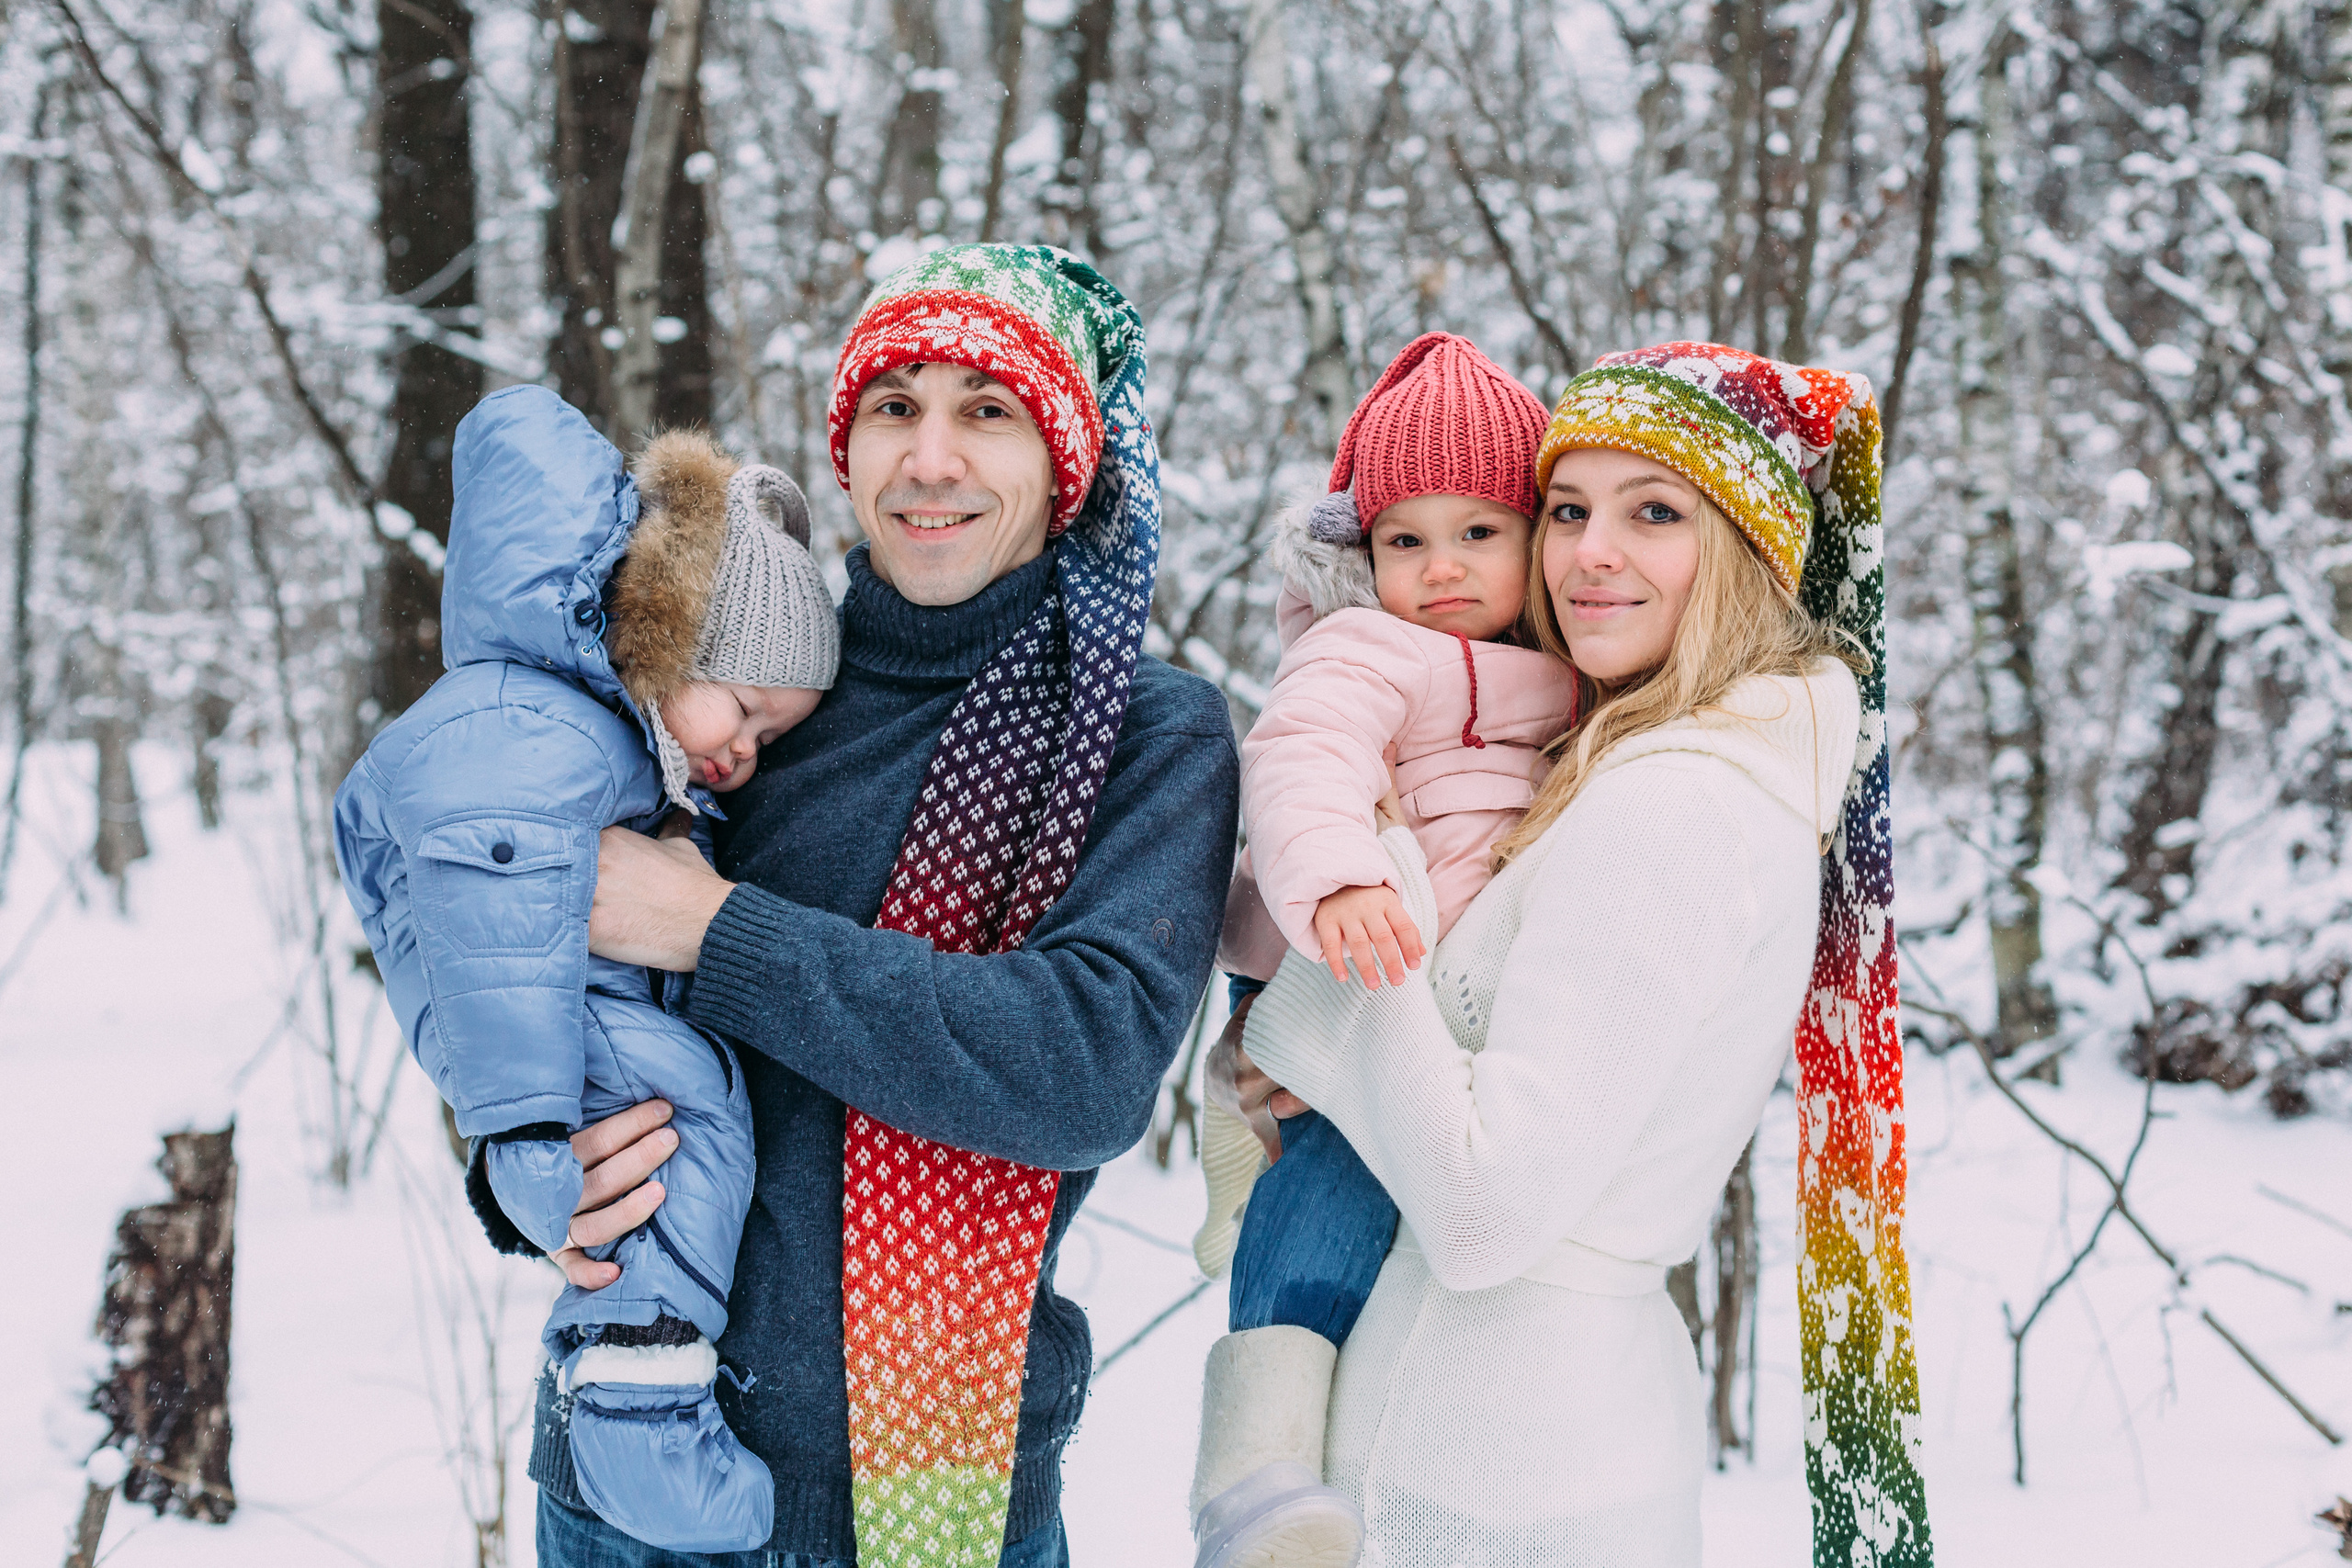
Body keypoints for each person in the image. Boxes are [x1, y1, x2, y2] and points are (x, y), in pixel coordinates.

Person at [472, 245, 1240, 1568]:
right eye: (895, 406)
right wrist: (520, 1164)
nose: (930, 458)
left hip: (927, 1499)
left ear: (1066, 464)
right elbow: (531, 957)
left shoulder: (1140, 735)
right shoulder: (743, 688)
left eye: (986, 411)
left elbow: (1081, 1062)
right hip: (622, 1471)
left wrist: (715, 931)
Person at [1211, 343, 1933, 1565]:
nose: (1589, 550)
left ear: (1753, 552)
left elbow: (1488, 1210)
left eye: (1654, 512)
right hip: (1524, 1446)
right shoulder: (1617, 757)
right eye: (1566, 509)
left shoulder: (1672, 805)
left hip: (1478, 1465)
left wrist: (1341, 975)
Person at [334, 388, 839, 1552]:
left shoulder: (586, 724)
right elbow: (492, 918)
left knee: (677, 1133)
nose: (744, 753)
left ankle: (633, 1387)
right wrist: (514, 1131)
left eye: (768, 741)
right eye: (748, 709)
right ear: (683, 637)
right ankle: (638, 1407)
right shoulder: (536, 727)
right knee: (686, 1127)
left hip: (565, 1024)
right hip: (560, 1038)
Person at [1184, 334, 1573, 1568]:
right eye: (1406, 539)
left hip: (1441, 1005)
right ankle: (1252, 1474)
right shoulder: (1365, 648)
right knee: (1331, 1193)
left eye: (1478, 532)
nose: (1441, 567)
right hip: (1338, 959)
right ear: (1364, 556)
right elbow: (1302, 758)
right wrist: (1338, 876)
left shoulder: (1574, 678)